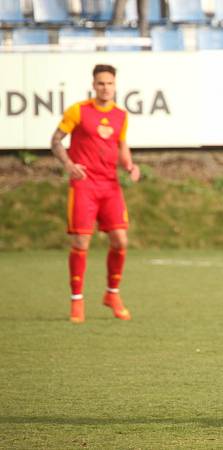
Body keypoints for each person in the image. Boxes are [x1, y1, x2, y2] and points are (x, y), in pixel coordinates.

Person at [50, 64, 140, 324]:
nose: (105, 87)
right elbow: (56, 140)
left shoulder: (121, 116)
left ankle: (112, 294)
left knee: (120, 240)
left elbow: (121, 145)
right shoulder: (78, 111)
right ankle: (76, 300)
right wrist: (68, 165)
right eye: (101, 83)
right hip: (84, 185)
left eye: (109, 83)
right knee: (81, 242)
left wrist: (130, 166)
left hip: (110, 185)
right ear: (93, 85)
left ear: (115, 85)